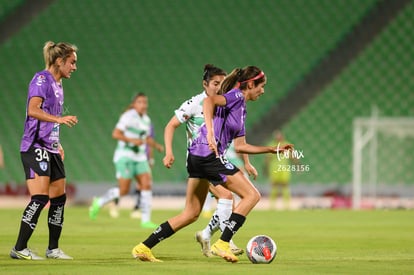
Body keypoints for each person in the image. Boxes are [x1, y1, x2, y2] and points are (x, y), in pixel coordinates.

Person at [131, 65, 292, 263]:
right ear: (250, 84)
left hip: (197, 158)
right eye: (261, 86)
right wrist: (209, 132)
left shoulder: (241, 109)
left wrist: (271, 150)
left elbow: (241, 146)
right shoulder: (236, 97)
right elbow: (208, 102)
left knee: (191, 213)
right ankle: (223, 243)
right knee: (251, 195)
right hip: (208, 156)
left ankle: (143, 247)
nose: (263, 90)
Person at [10, 41, 78, 260]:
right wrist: (59, 119)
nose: (74, 67)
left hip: (50, 147)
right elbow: (33, 110)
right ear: (59, 61)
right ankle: (19, 248)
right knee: (39, 198)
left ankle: (53, 249)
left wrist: (57, 143)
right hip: (34, 146)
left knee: (58, 199)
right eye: (72, 62)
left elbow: (49, 122)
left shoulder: (58, 86)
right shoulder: (41, 80)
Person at [89, 93, 163, 229]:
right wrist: (131, 140)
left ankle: (145, 220)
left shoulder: (146, 119)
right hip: (125, 156)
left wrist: (156, 145)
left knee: (146, 185)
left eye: (145, 102)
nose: (143, 105)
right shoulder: (128, 116)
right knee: (124, 190)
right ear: (134, 104)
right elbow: (115, 133)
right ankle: (99, 202)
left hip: (140, 157)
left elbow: (145, 138)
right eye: (140, 102)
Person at [264, 130, 296, 210]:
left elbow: (293, 156)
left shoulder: (287, 144)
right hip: (274, 168)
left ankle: (287, 206)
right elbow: (267, 159)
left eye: (279, 135)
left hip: (284, 168)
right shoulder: (271, 145)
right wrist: (266, 168)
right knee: (274, 186)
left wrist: (297, 164)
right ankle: (272, 206)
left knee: (285, 185)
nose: (278, 137)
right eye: (277, 136)